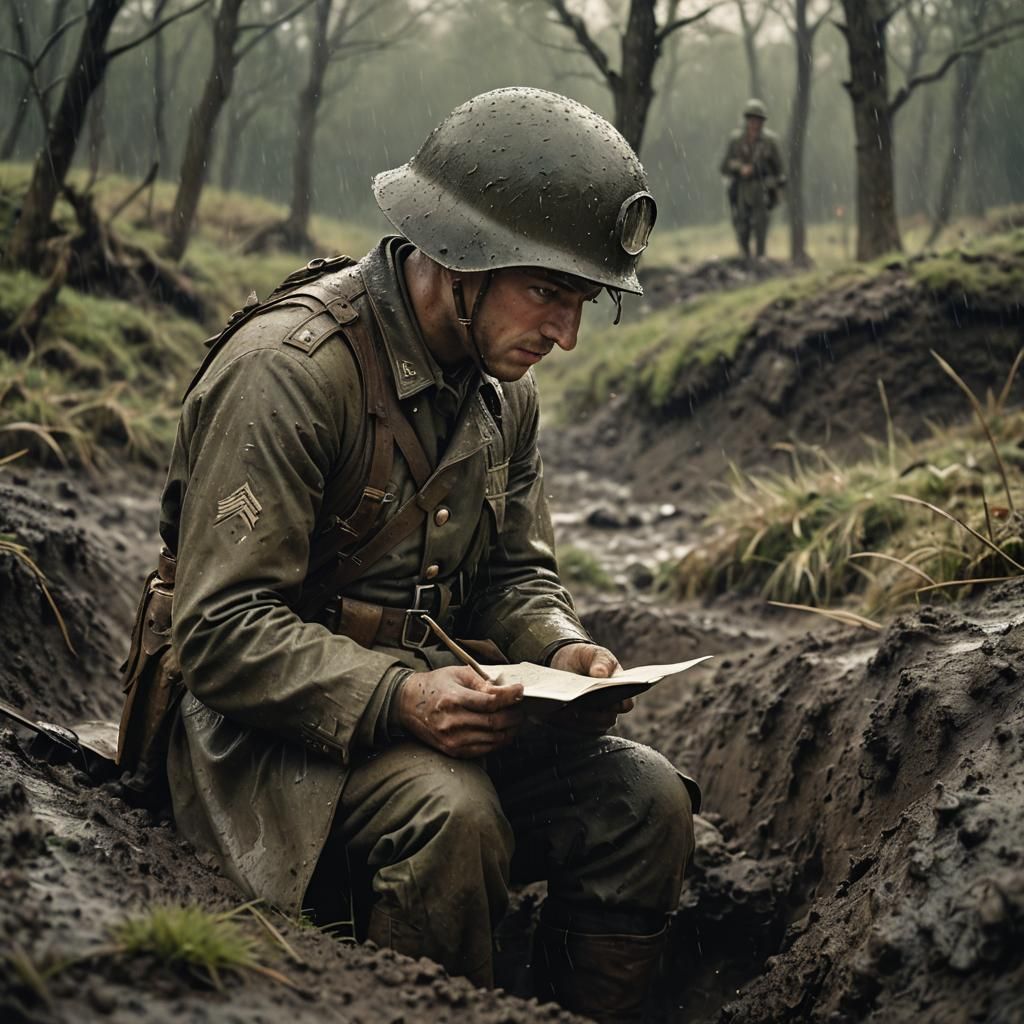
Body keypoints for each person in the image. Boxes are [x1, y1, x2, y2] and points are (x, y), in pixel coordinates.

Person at [120, 87, 699, 1024]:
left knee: (646, 802)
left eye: (582, 300)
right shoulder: (291, 374)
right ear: (458, 260)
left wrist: (558, 649)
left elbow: (517, 573)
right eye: (548, 291)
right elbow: (221, 631)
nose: (566, 334)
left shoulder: (505, 392)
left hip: (434, 714)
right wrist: (397, 698)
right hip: (257, 736)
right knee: (454, 819)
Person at [720, 98, 786, 260]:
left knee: (761, 225)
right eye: (752, 120)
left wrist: (774, 184)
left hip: (762, 189)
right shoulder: (736, 140)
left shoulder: (770, 141)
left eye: (758, 120)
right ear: (746, 120)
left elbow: (780, 171)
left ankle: (761, 257)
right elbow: (724, 167)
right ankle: (745, 256)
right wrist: (739, 168)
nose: (755, 124)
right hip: (741, 188)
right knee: (741, 225)